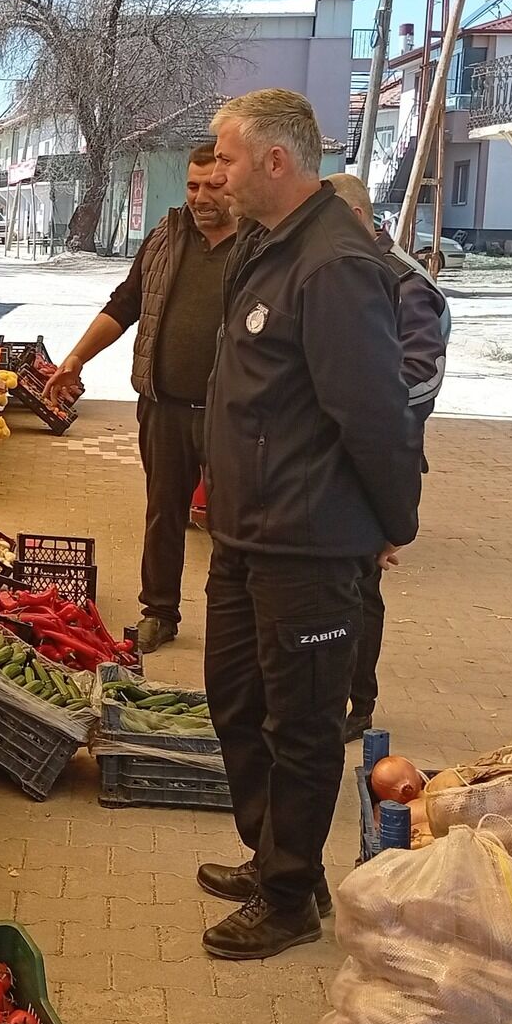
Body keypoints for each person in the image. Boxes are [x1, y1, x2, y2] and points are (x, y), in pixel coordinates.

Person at [197, 89, 421, 961]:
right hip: (249, 533)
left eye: (226, 156)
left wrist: (389, 520)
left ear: (275, 161)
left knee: (301, 723)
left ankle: (290, 897)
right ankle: (275, 857)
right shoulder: (271, 245)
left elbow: (375, 413)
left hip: (309, 540)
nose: (216, 173)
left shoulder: (332, 263)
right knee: (235, 699)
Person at [50, 144, 237, 655]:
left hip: (236, 415)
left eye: (214, 187)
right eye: (193, 186)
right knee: (163, 512)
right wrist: (75, 359)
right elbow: (125, 303)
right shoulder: (166, 237)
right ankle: (159, 611)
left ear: (235, 184)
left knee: (235, 522)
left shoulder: (260, 245)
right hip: (165, 405)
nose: (201, 198)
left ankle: (233, 623)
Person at [323, 171, 452, 743]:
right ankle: (328, 691)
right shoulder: (349, 272)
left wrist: (366, 415)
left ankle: (360, 702)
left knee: (360, 586)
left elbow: (420, 381)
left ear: (351, 217)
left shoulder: (407, 283)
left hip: (376, 458)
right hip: (336, 454)